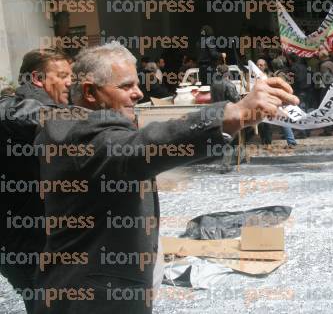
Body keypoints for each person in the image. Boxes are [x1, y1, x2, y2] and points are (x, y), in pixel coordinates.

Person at [31, 42, 298, 313]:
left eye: (136, 84)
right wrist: (232, 114)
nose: (138, 94)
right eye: (125, 86)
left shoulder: (79, 128)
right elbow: (146, 146)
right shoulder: (80, 138)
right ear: (89, 92)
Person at [0, 48, 72, 313]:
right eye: (62, 75)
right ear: (38, 78)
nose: (69, 81)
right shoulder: (12, 109)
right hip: (26, 245)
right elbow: (21, 115)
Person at [256, 58, 273, 150]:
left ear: (265, 66)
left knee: (268, 123)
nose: (259, 66)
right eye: (258, 65)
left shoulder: (269, 75)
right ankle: (263, 140)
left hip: (268, 102)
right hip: (257, 102)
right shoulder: (252, 75)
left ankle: (269, 142)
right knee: (260, 123)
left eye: (261, 65)